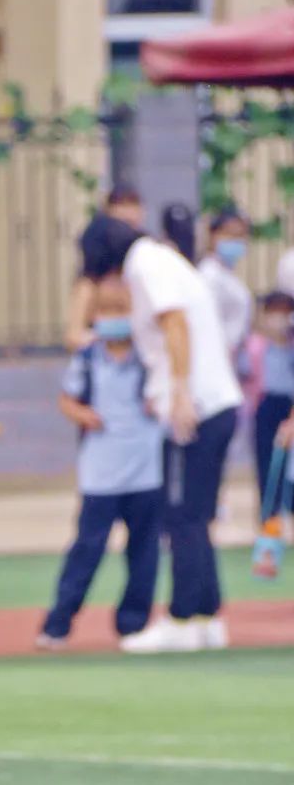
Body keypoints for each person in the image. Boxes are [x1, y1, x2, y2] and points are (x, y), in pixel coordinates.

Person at [79, 212, 242, 652]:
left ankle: (183, 617)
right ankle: (207, 616)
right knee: (195, 515)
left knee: (182, 515)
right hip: (213, 403)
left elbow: (175, 324)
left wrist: (181, 393)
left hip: (198, 408)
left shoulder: (145, 265)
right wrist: (162, 388)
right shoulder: (160, 260)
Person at [38, 275, 163, 651]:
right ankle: (58, 623)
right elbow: (67, 399)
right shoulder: (88, 357)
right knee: (87, 547)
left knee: (144, 552)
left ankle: (133, 624)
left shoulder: (150, 354)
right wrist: (83, 414)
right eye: (105, 310)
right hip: (101, 472)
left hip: (145, 469)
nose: (113, 317)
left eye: (120, 309)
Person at [65, 184, 146, 351]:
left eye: (133, 205)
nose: (128, 212)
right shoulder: (90, 283)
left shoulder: (145, 261)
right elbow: (74, 335)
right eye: (121, 205)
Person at [243, 290, 294, 519]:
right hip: (265, 405)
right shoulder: (256, 345)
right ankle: (269, 515)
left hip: (290, 406)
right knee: (266, 459)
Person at [198, 207, 253, 366]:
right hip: (214, 356)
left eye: (240, 236)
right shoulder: (209, 274)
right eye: (229, 234)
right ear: (213, 236)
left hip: (231, 357)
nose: (235, 241)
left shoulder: (227, 274)